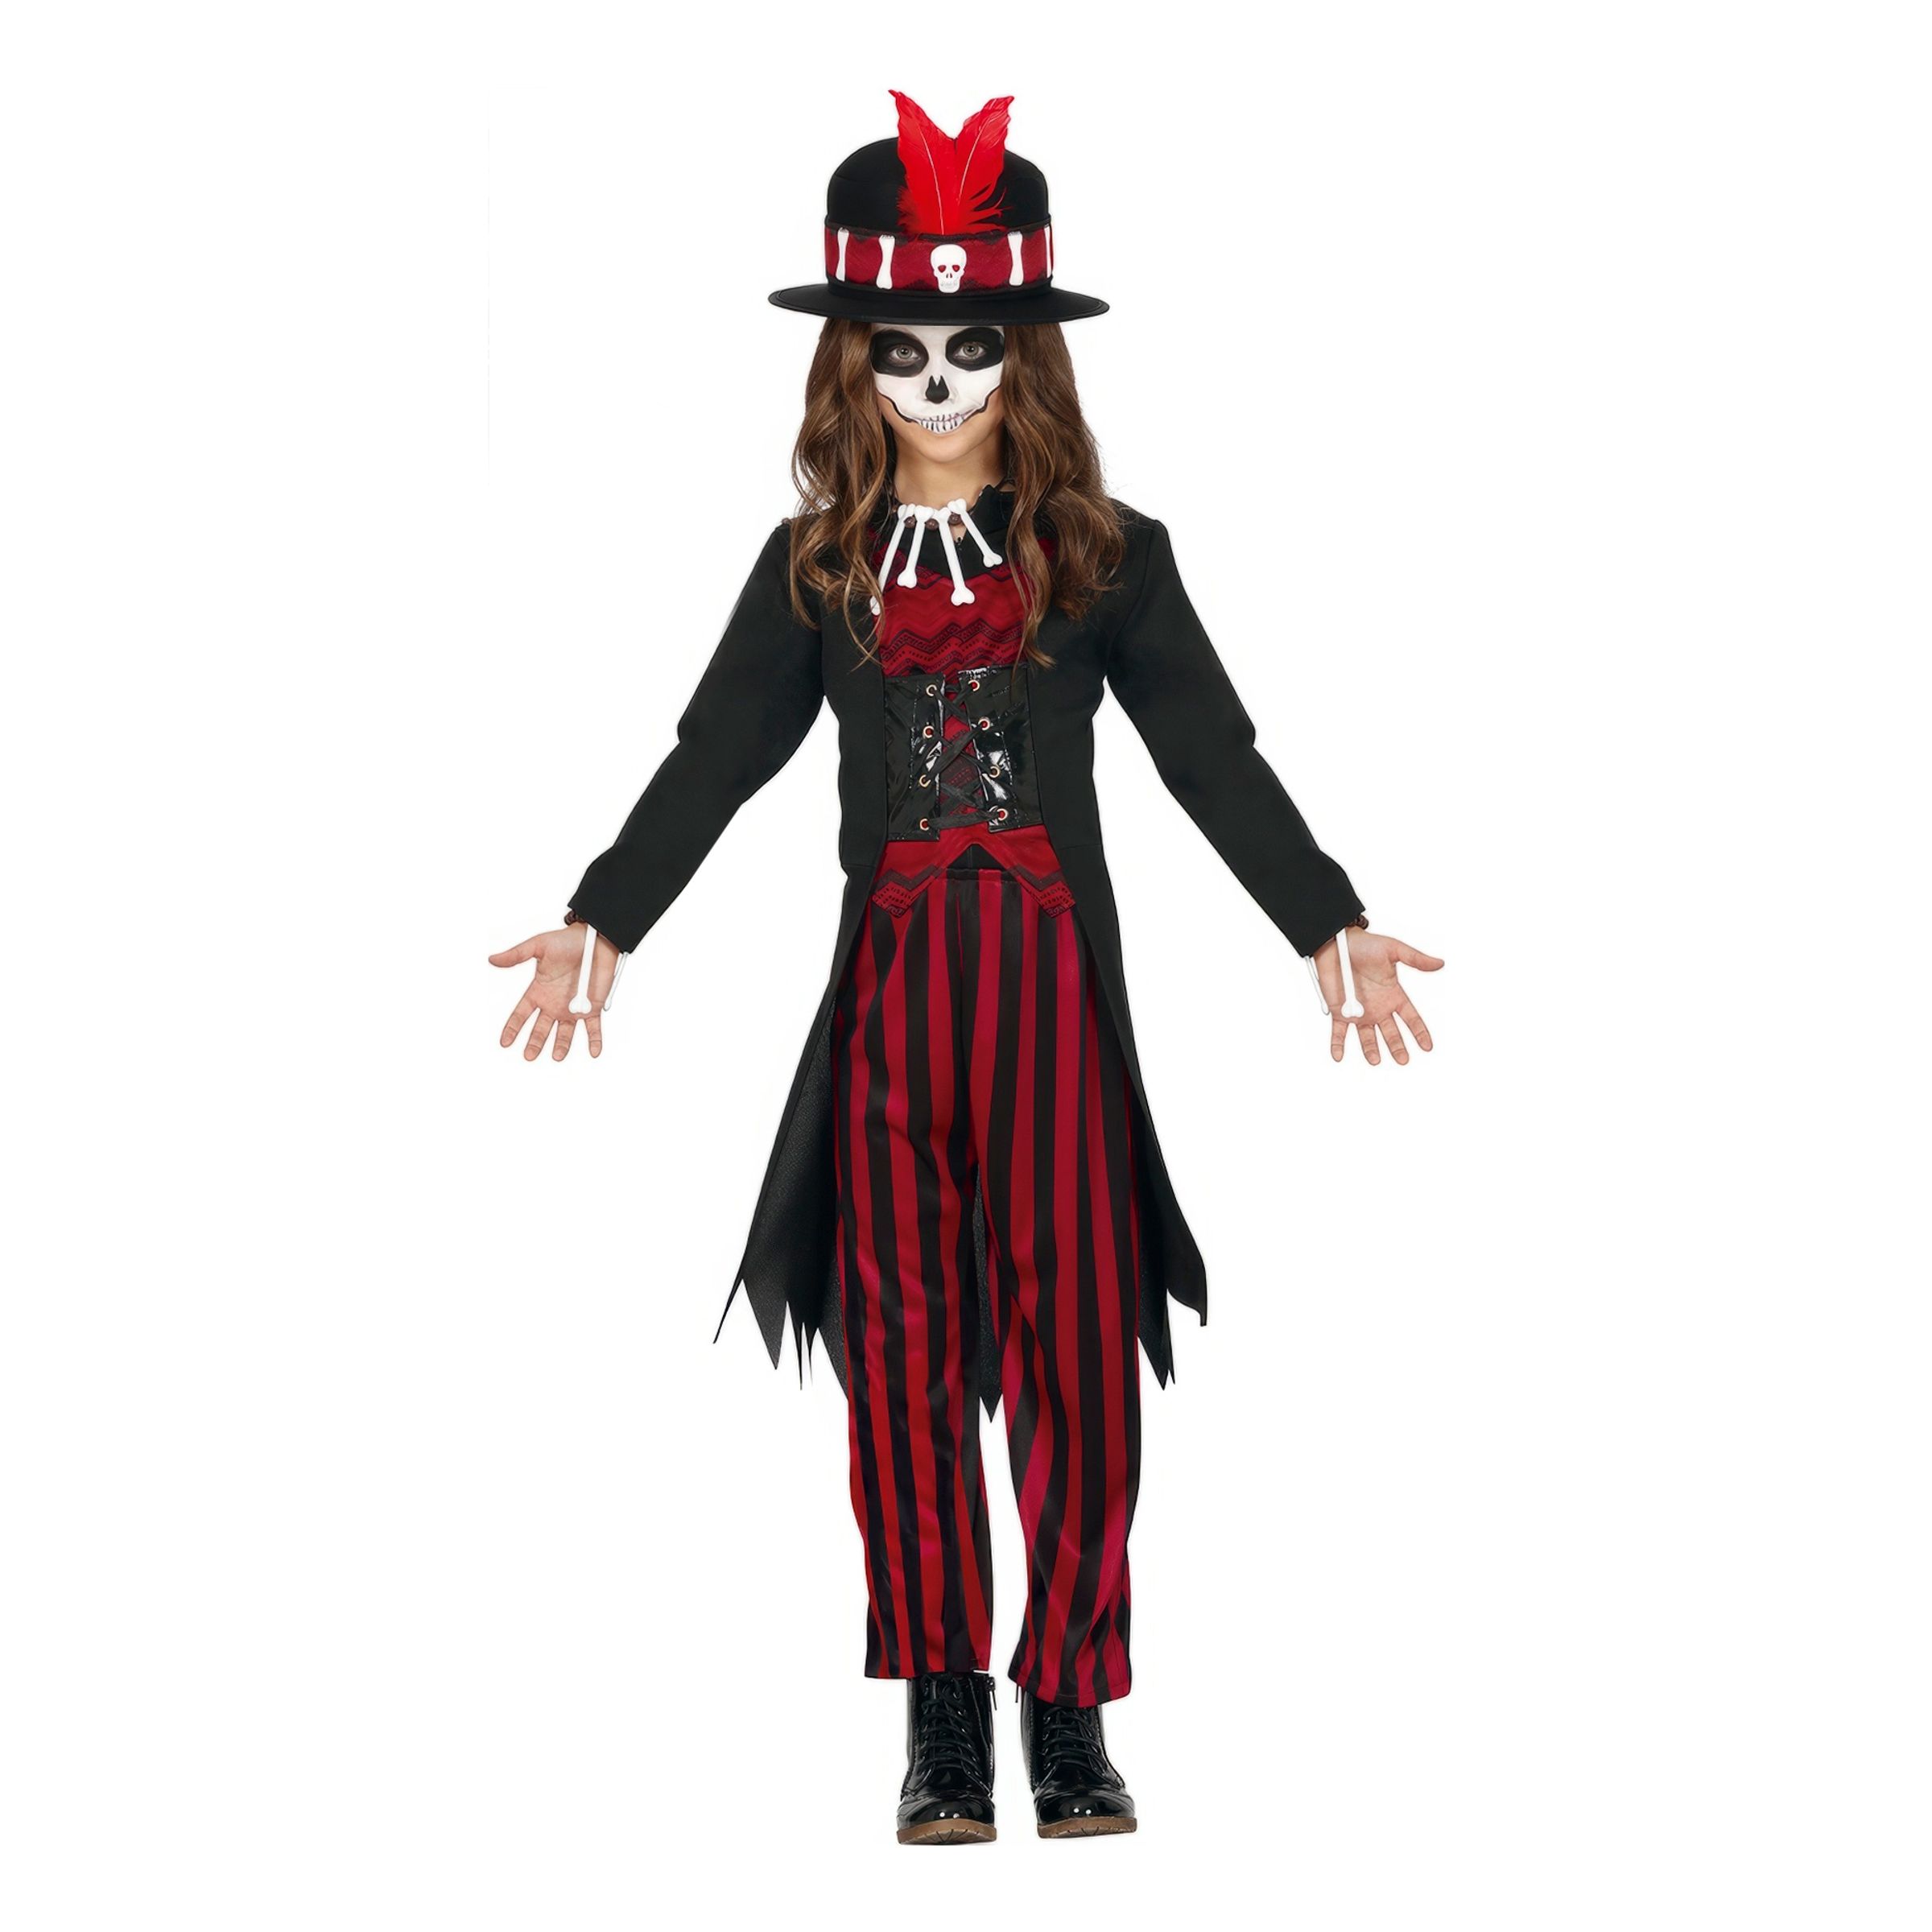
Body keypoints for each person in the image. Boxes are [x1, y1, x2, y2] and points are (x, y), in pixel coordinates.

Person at [490, 92, 1443, 1844]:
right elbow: (717, 754)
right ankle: (942, 1715)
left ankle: (1068, 1711)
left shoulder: (1109, 557)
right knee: (904, 1354)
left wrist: (1328, 916)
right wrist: (604, 912)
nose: (938, 383)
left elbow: (1211, 755)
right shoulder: (818, 570)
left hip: (1054, 1004)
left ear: (1027, 359)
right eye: (903, 352)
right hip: (892, 1008)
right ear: (853, 366)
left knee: (1078, 1349)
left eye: (973, 349)